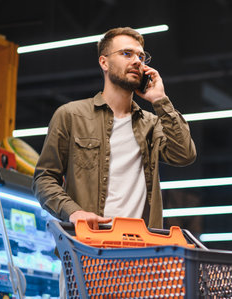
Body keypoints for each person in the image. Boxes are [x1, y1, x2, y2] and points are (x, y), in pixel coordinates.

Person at [32, 27, 196, 297]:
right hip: (87, 254)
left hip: (142, 260)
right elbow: (43, 179)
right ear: (104, 62)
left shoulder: (152, 124)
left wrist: (160, 100)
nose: (137, 61)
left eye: (142, 57)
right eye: (127, 53)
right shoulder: (71, 115)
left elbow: (185, 154)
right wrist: (73, 212)